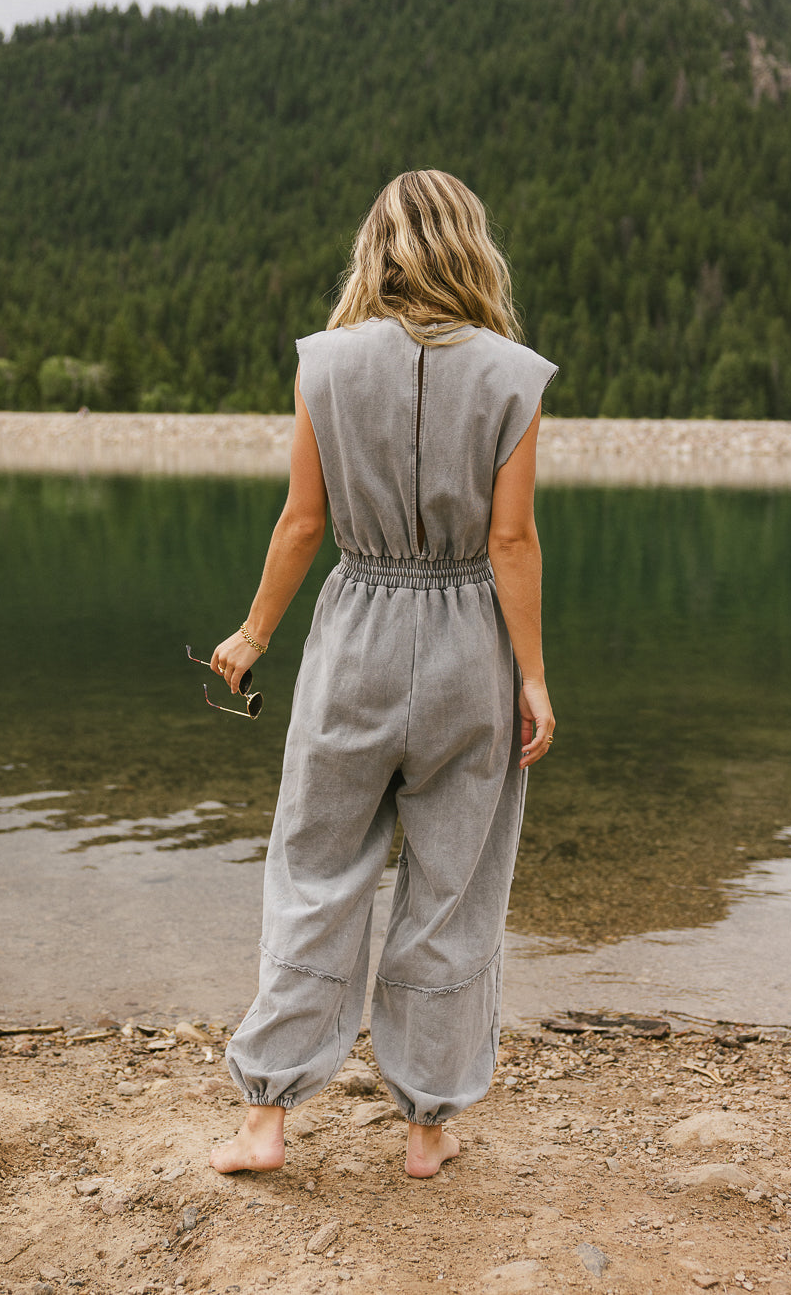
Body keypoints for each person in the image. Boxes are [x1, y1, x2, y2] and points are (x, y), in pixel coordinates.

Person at [208, 169, 557, 1180]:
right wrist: (533, 678)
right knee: (452, 887)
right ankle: (427, 1128)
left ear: (379, 247)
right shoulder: (514, 375)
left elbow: (302, 522)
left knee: (315, 870)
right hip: (468, 644)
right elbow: (512, 542)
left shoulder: (324, 363)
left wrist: (253, 634)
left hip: (357, 629)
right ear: (469, 244)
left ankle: (267, 1119)